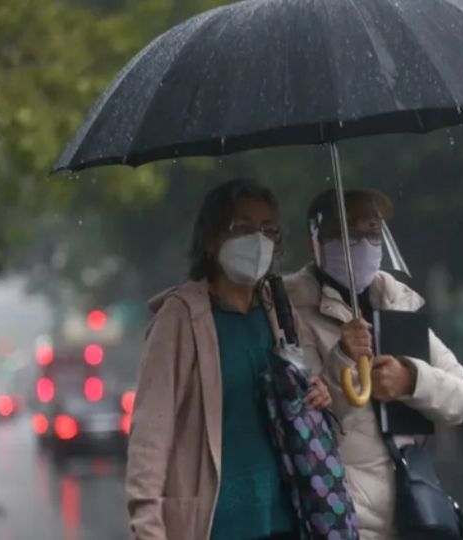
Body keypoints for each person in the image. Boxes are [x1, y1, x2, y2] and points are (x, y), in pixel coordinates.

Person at [125, 178, 335, 540]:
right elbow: (150, 435)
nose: (257, 239)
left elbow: (305, 393)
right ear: (211, 240)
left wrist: (319, 393)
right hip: (214, 525)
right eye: (242, 227)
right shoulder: (180, 319)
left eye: (268, 229)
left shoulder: (279, 312)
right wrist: (148, 525)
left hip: (285, 519)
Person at [284, 188, 463, 540]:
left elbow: (462, 397)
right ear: (316, 244)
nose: (362, 243)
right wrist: (342, 356)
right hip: (338, 517)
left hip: (412, 511)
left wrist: (412, 381)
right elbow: (303, 416)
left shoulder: (397, 304)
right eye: (349, 234)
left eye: (372, 232)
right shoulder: (291, 310)